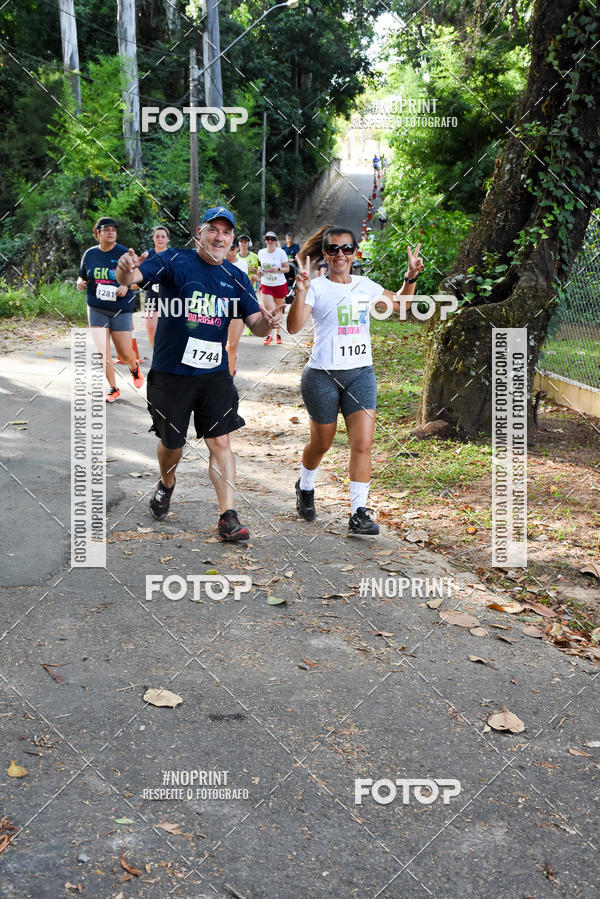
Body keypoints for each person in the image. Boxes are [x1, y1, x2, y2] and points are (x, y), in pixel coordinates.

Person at [115, 206, 281, 542]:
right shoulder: (175, 260)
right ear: (199, 233)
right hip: (171, 373)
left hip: (214, 374)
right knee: (172, 444)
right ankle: (167, 482)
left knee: (220, 440)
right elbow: (132, 278)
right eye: (213, 230)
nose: (220, 237)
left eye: (226, 232)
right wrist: (124, 272)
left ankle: (228, 516)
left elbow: (256, 324)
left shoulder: (236, 276)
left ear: (232, 239)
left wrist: (271, 321)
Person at [287, 226, 423, 535]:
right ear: (325, 254)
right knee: (321, 443)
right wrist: (301, 291)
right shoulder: (316, 287)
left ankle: (359, 512)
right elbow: (294, 327)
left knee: (362, 444)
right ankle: (305, 485)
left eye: (347, 249)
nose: (340, 255)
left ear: (354, 253)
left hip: (361, 374)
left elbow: (400, 305)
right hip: (322, 376)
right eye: (333, 249)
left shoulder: (365, 285)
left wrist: (410, 277)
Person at [77, 216, 143, 403]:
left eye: (113, 229)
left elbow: (140, 281)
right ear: (98, 233)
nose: (111, 232)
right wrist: (80, 282)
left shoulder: (125, 254)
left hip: (120, 309)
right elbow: (82, 276)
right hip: (96, 308)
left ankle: (133, 366)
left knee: (124, 353)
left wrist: (127, 286)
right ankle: (113, 388)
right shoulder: (89, 254)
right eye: (106, 229)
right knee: (102, 352)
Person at [143, 225, 175, 348]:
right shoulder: (147, 256)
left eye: (163, 236)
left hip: (170, 298)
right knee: (151, 329)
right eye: (157, 236)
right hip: (152, 297)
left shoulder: (173, 255)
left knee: (170, 331)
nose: (160, 238)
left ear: (168, 239)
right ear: (153, 238)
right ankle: (157, 354)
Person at [257, 231, 289, 345]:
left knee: (278, 310)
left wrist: (278, 270)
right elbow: (260, 268)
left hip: (279, 284)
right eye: (268, 239)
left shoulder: (281, 253)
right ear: (265, 240)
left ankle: (278, 333)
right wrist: (259, 272)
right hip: (266, 284)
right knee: (269, 311)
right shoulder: (261, 252)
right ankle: (268, 334)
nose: (270, 241)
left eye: (272, 239)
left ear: (275, 241)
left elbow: (287, 268)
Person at [225, 238, 248, 375]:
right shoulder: (216, 262)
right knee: (223, 345)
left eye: (233, 249)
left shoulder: (242, 264)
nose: (230, 253)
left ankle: (228, 379)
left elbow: (243, 286)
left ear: (237, 249)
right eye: (228, 249)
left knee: (232, 345)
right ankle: (229, 362)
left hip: (238, 305)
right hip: (220, 305)